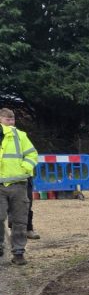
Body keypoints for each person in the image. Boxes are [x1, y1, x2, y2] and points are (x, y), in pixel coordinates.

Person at [0, 108, 38, 265]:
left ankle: (18, 252)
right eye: (8, 119)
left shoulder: (21, 136)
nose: (11, 122)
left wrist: (25, 168)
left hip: (19, 184)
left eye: (13, 119)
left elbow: (32, 154)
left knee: (20, 221)